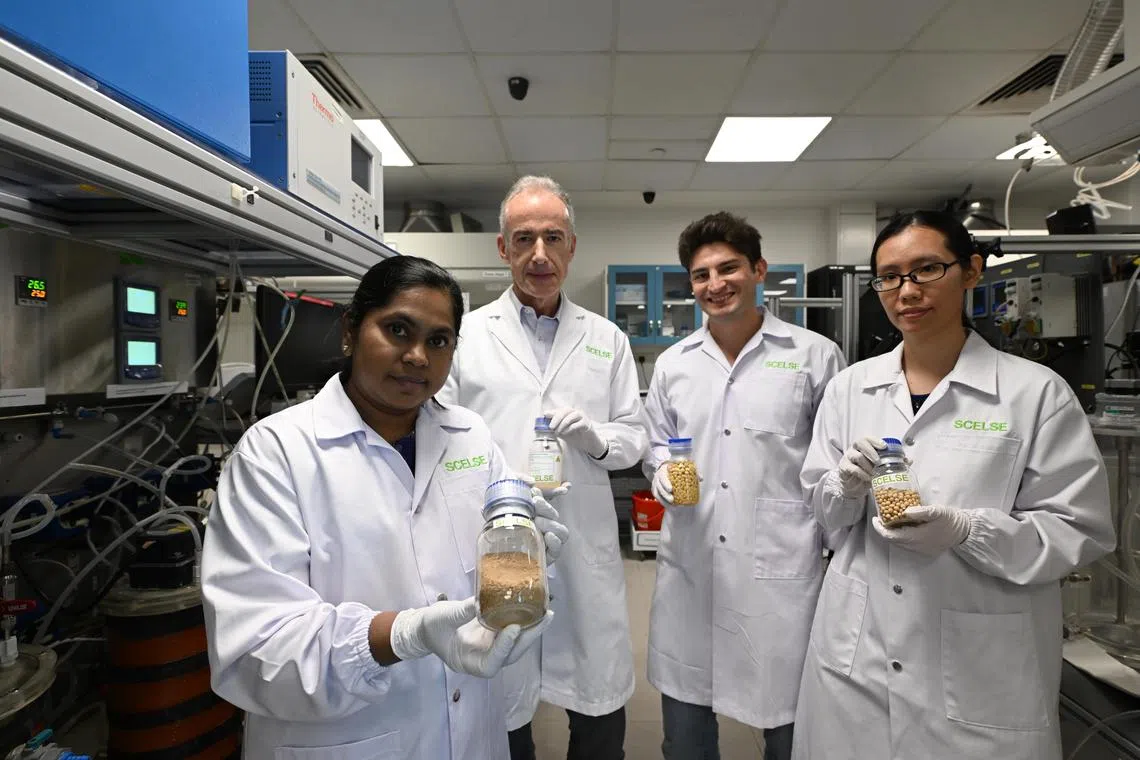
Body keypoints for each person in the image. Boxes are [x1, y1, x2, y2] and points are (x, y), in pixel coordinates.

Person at [201, 256, 570, 760]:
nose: (418, 356)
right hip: (344, 739)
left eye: (438, 341)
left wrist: (527, 548)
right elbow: (253, 652)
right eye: (398, 329)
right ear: (351, 331)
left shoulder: (472, 438)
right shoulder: (276, 453)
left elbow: (492, 569)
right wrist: (402, 635)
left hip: (471, 731)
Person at [791, 210, 1115, 760]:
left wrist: (968, 531)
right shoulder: (850, 389)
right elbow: (823, 512)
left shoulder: (1034, 394)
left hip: (977, 661)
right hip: (857, 652)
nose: (906, 291)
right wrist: (843, 487)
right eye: (890, 276)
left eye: (926, 270)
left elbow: (1078, 529)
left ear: (970, 271)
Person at [439, 176, 647, 760]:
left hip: (582, 544)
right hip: (497, 540)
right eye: (523, 238)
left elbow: (634, 438)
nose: (539, 254)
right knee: (502, 707)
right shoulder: (466, 335)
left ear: (572, 247)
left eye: (553, 237)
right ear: (502, 249)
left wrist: (597, 439)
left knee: (598, 702)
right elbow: (439, 435)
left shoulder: (606, 339)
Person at [641, 211, 846, 760]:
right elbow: (657, 444)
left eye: (728, 268)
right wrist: (661, 470)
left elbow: (834, 462)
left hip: (780, 572)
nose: (715, 284)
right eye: (701, 275)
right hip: (694, 563)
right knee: (683, 735)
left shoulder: (814, 357)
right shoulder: (673, 365)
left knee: (790, 729)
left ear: (759, 270)